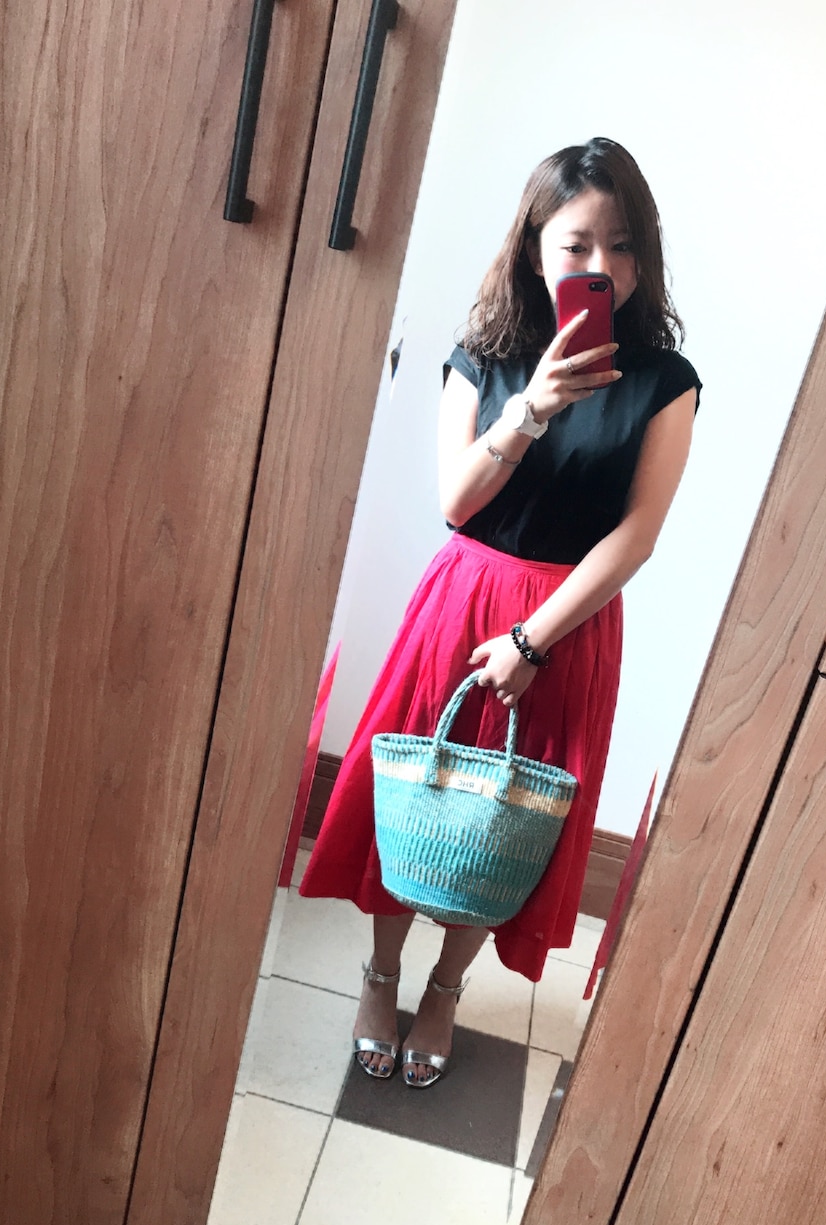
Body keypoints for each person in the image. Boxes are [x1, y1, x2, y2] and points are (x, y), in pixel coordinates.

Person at [299, 137, 700, 1087]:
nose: (602, 265)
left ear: (644, 255)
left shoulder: (663, 381)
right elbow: (458, 503)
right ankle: (381, 974)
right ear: (532, 247)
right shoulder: (483, 357)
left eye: (622, 245)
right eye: (577, 244)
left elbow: (637, 536)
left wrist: (531, 640)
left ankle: (444, 990)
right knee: (418, 792)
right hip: (461, 600)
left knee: (512, 822)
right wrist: (532, 409)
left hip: (564, 625)